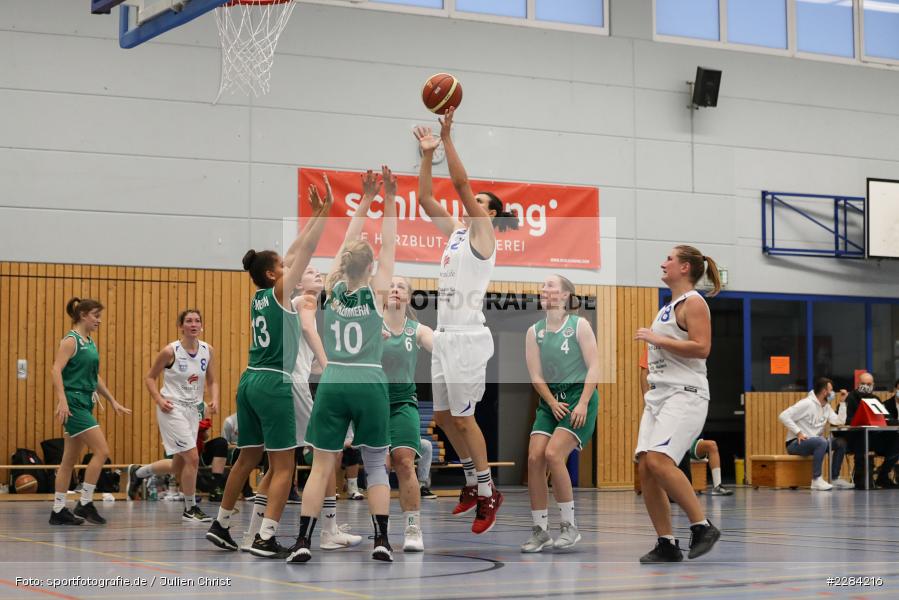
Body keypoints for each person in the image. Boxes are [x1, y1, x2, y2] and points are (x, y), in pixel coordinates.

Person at [205, 176, 332, 558]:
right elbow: (305, 252)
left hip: (249, 381)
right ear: (276, 275)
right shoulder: (280, 292)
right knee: (283, 465)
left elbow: (292, 252)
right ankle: (265, 536)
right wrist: (324, 214)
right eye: (283, 266)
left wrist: (312, 214)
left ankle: (222, 524)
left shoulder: (261, 294)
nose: (290, 264)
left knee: (246, 457)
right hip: (275, 383)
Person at [413, 108, 518, 534]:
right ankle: (474, 483)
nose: (475, 206)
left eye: (482, 204)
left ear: (489, 214)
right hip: (446, 336)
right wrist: (425, 156)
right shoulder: (457, 232)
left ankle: (489, 490)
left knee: (465, 418)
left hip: (470, 339)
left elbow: (459, 184)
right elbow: (424, 200)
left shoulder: (483, 235)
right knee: (442, 414)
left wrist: (448, 138)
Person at [287, 166, 398, 564]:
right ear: (370, 268)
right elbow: (389, 241)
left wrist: (365, 199)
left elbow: (348, 242)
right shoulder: (378, 291)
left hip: (333, 378)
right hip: (368, 380)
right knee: (374, 465)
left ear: (345, 265)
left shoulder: (331, 289)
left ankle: (302, 540)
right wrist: (388, 198)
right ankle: (382, 539)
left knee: (321, 467)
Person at [633, 246, 722, 563]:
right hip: (659, 397)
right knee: (646, 468)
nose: (663, 262)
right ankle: (667, 543)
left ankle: (702, 526)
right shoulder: (668, 306)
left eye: (669, 258)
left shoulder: (694, 303)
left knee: (659, 461)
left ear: (685, 267)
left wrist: (658, 340)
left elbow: (702, 348)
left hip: (684, 394)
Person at [521, 275, 599, 553]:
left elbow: (594, 367)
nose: (544, 289)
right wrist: (551, 402)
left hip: (579, 398)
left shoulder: (580, 326)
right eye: (542, 286)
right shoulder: (535, 331)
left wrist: (583, 403)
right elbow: (535, 375)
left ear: (566, 295)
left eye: (551, 286)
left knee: (554, 454)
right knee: (534, 459)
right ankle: (540, 531)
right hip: (551, 401)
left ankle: (569, 526)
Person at [49, 297, 131, 525]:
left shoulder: (89, 341)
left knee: (68, 460)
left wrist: (112, 400)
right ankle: (85, 502)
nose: (99, 320)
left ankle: (58, 510)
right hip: (74, 401)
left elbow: (94, 377)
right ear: (83, 315)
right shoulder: (70, 340)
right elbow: (55, 370)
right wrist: (62, 400)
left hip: (85, 400)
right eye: (96, 315)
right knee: (102, 450)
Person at [142, 309, 219, 522]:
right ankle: (190, 509)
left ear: (201, 325)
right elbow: (149, 378)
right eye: (188, 321)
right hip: (172, 408)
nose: (193, 324)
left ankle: (139, 473)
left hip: (194, 410)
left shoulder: (207, 350)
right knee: (193, 457)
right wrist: (159, 399)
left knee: (179, 464)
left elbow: (212, 380)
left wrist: (214, 398)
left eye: (197, 321)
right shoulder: (170, 351)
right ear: (181, 326)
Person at [382, 275, 435, 551]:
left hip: (403, 403)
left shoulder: (416, 330)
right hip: (374, 403)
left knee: (404, 463)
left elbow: (436, 344)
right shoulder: (370, 327)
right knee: (379, 467)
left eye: (401, 286)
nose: (395, 289)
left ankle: (413, 528)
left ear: (408, 296)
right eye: (390, 285)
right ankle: (380, 529)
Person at [777, 377, 852, 491]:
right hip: (795, 444)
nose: (833, 393)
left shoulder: (826, 407)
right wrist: (798, 432)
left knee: (841, 442)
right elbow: (783, 415)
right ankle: (816, 479)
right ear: (824, 392)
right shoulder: (806, 403)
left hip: (815, 442)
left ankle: (835, 478)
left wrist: (842, 403)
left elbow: (839, 421)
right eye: (831, 390)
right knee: (821, 441)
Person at [844, 372, 899, 489]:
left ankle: (883, 476)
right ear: (858, 384)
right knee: (863, 438)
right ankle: (861, 479)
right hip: (857, 438)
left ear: (873, 385)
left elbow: (886, 417)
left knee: (896, 440)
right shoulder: (851, 398)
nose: (866, 386)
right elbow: (847, 420)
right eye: (863, 384)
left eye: (869, 384)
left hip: (875, 438)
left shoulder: (875, 399)